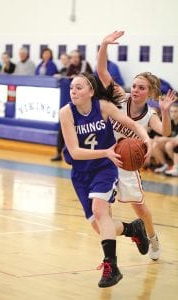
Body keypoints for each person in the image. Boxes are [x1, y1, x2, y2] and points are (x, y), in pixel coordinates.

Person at [60, 71, 151, 288]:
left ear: (91, 91)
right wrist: (106, 151)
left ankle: (111, 267)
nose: (74, 91)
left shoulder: (103, 107)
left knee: (101, 211)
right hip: (82, 172)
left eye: (79, 87)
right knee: (100, 227)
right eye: (72, 88)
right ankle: (133, 229)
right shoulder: (66, 113)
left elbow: (132, 125)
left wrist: (146, 138)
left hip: (105, 168)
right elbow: (74, 152)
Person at [96, 30, 177, 261]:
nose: (137, 90)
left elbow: (165, 132)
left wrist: (164, 111)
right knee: (103, 206)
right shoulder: (120, 97)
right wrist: (104, 45)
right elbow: (102, 71)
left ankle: (151, 236)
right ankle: (109, 257)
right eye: (135, 85)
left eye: (142, 87)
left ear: (150, 92)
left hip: (128, 165)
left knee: (140, 209)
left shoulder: (150, 113)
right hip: (106, 159)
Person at [152, 102, 178, 173]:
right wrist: (159, 139)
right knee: (155, 145)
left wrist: (165, 139)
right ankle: (165, 165)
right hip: (172, 143)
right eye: (171, 111)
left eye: (175, 111)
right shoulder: (170, 122)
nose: (173, 113)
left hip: (174, 145)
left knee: (168, 145)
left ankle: (176, 166)